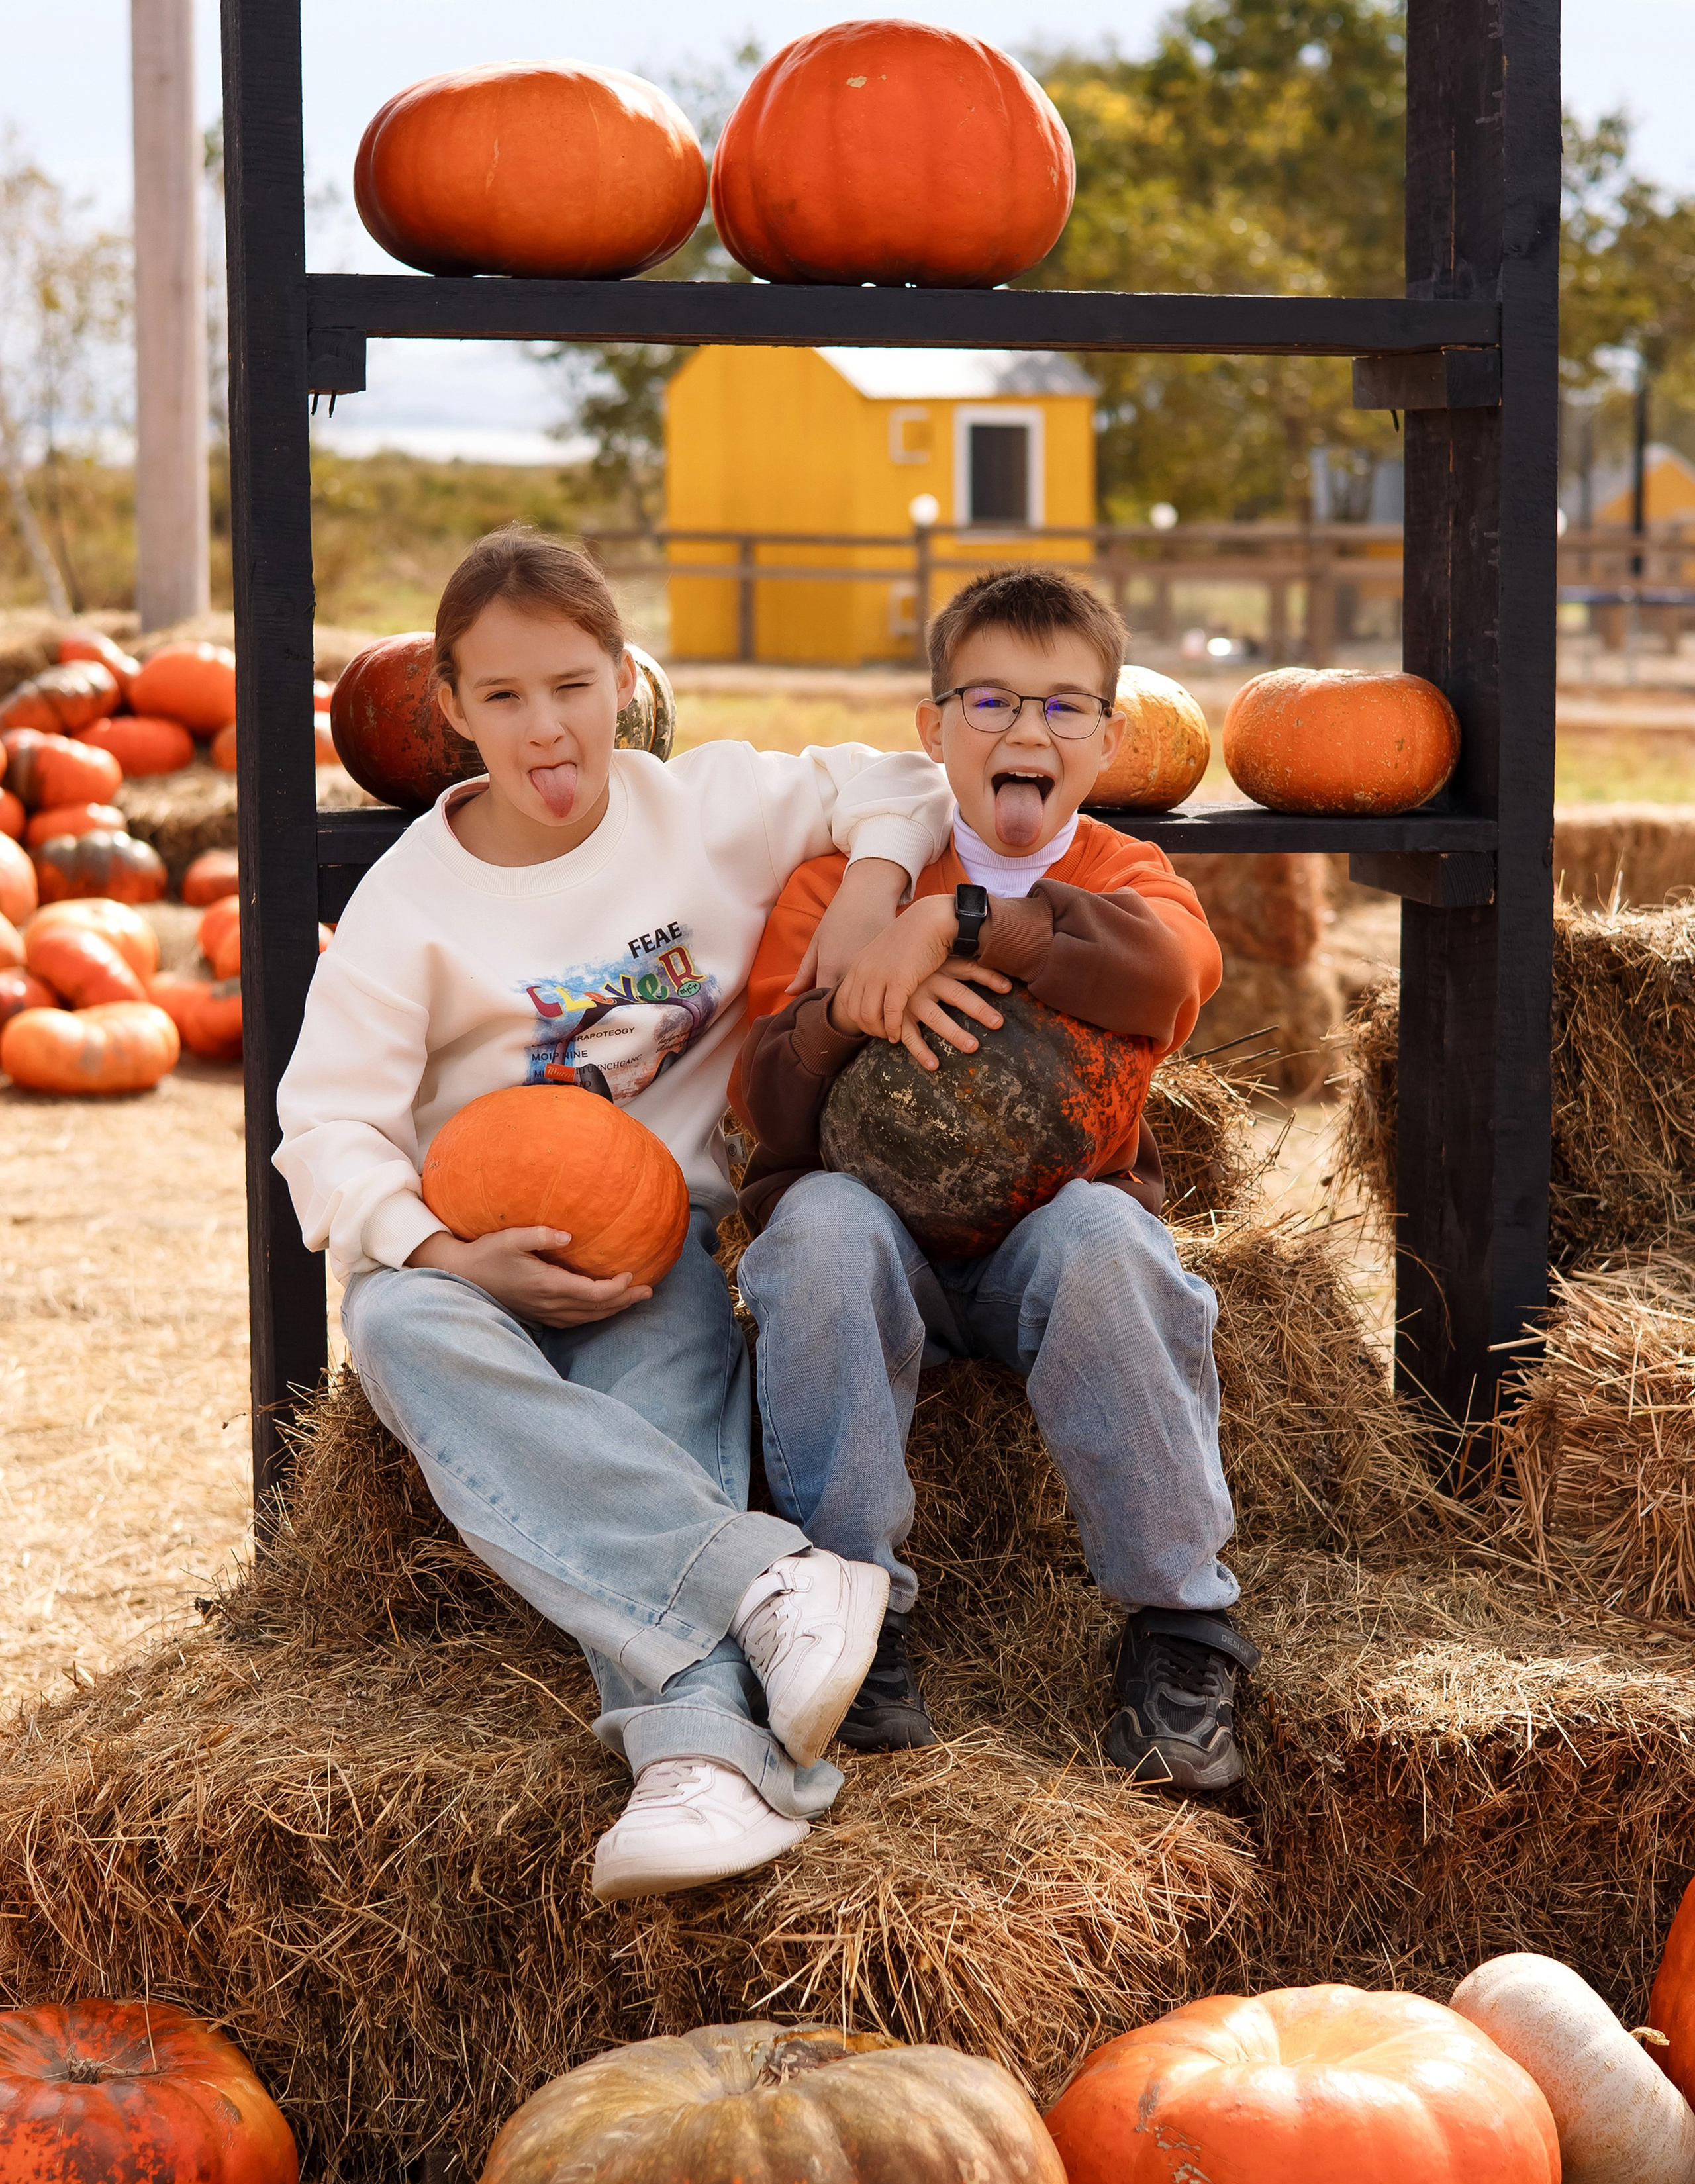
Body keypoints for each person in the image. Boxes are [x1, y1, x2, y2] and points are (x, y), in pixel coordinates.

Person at [275, 524, 960, 1899]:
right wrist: (443, 1247)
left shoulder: (701, 808)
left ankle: (699, 1763)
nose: (546, 728)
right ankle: (772, 1584)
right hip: (472, 1250)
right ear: (453, 710)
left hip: (657, 1241)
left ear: (624, 683)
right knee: (397, 1325)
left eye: (573, 686)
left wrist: (875, 886)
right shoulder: (416, 895)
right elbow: (325, 1123)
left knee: (662, 1391)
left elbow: (902, 781)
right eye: (507, 697)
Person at [731, 565, 1258, 1793]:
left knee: (1111, 1242)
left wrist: (969, 922)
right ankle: (849, 1617)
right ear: (931, 731)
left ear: (1112, 738)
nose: (1029, 731)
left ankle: (1182, 1628)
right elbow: (765, 1103)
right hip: (886, 1250)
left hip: (1041, 1260)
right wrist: (835, 1018)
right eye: (991, 703)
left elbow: (1172, 978)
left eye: (1066, 708)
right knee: (813, 1228)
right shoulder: (840, 885)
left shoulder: (1127, 878)